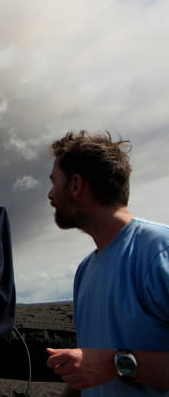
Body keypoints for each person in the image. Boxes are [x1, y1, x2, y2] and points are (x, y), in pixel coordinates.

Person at [45, 131, 169, 396]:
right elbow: (90, 371)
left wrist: (115, 364)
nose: (50, 195)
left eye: (54, 182)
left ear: (76, 184)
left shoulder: (160, 250)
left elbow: (102, 365)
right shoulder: (85, 271)